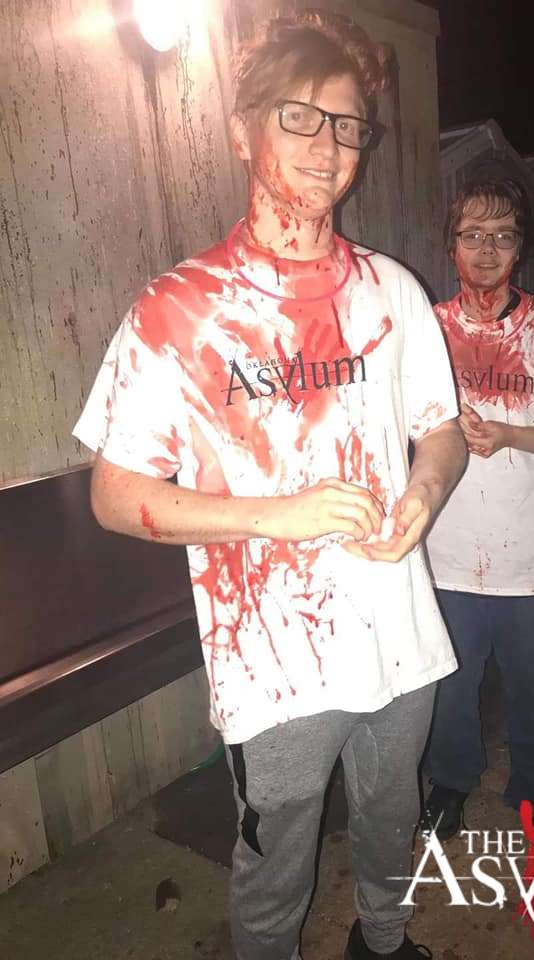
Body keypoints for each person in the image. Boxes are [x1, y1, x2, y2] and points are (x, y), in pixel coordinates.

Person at [73, 11, 467, 960]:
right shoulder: (179, 309)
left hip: (401, 632)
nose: (329, 147)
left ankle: (383, 941)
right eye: (301, 117)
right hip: (273, 661)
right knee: (276, 854)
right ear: (242, 131)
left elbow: (443, 433)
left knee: (391, 816)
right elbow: (116, 494)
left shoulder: (392, 290)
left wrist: (424, 496)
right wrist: (280, 517)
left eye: (348, 126)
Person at [421, 178, 534, 845]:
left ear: (520, 247)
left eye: (502, 235)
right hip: (442, 552)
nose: (486, 249)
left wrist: (508, 435)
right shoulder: (424, 331)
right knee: (450, 683)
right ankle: (450, 781)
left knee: (533, 687)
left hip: (532, 555)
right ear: (451, 245)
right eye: (472, 234)